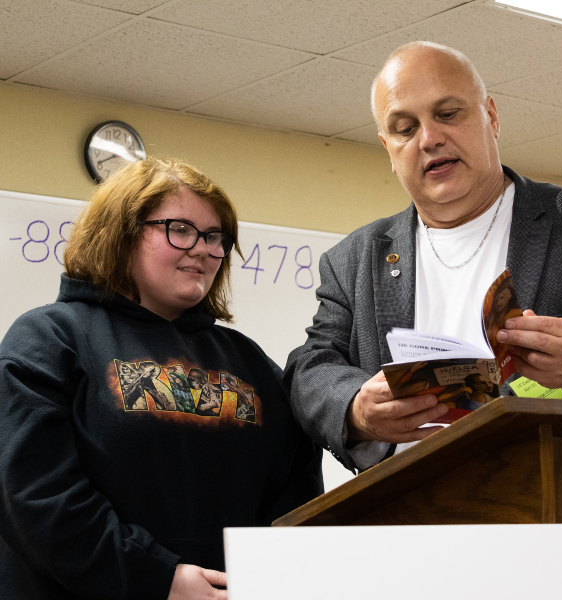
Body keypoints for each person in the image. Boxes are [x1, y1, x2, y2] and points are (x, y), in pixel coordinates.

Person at [0, 158, 323, 599]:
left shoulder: (249, 362)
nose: (203, 249)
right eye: (180, 229)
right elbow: (35, 497)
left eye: (215, 237)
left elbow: (296, 494)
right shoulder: (48, 339)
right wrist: (159, 578)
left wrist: (265, 578)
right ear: (122, 233)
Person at [285, 41, 562, 473]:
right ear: (388, 149)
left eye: (448, 114)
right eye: (405, 128)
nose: (430, 139)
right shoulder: (354, 259)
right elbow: (310, 368)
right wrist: (356, 409)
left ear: (490, 116)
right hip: (410, 512)